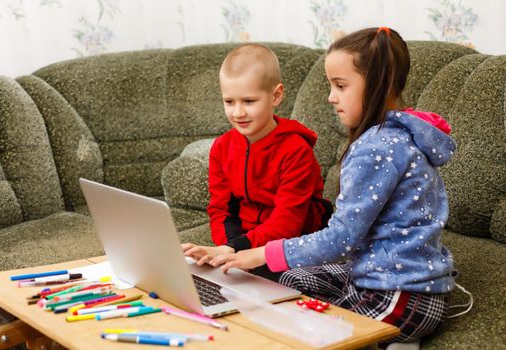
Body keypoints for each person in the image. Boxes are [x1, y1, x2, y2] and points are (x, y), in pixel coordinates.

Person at [211, 27, 460, 344]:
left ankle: (396, 337)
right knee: (289, 279)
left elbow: (342, 238)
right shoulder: (394, 131)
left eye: (340, 86)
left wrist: (258, 254)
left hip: (403, 295)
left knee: (298, 327)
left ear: (377, 86)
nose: (331, 96)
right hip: (374, 273)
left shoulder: (377, 148)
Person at [182, 43, 331, 278]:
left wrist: (235, 249)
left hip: (287, 249)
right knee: (194, 274)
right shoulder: (221, 147)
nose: (238, 112)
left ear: (276, 95)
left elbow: (287, 224)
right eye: (229, 102)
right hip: (241, 245)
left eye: (249, 101)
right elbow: (220, 209)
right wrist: (227, 247)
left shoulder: (296, 150)